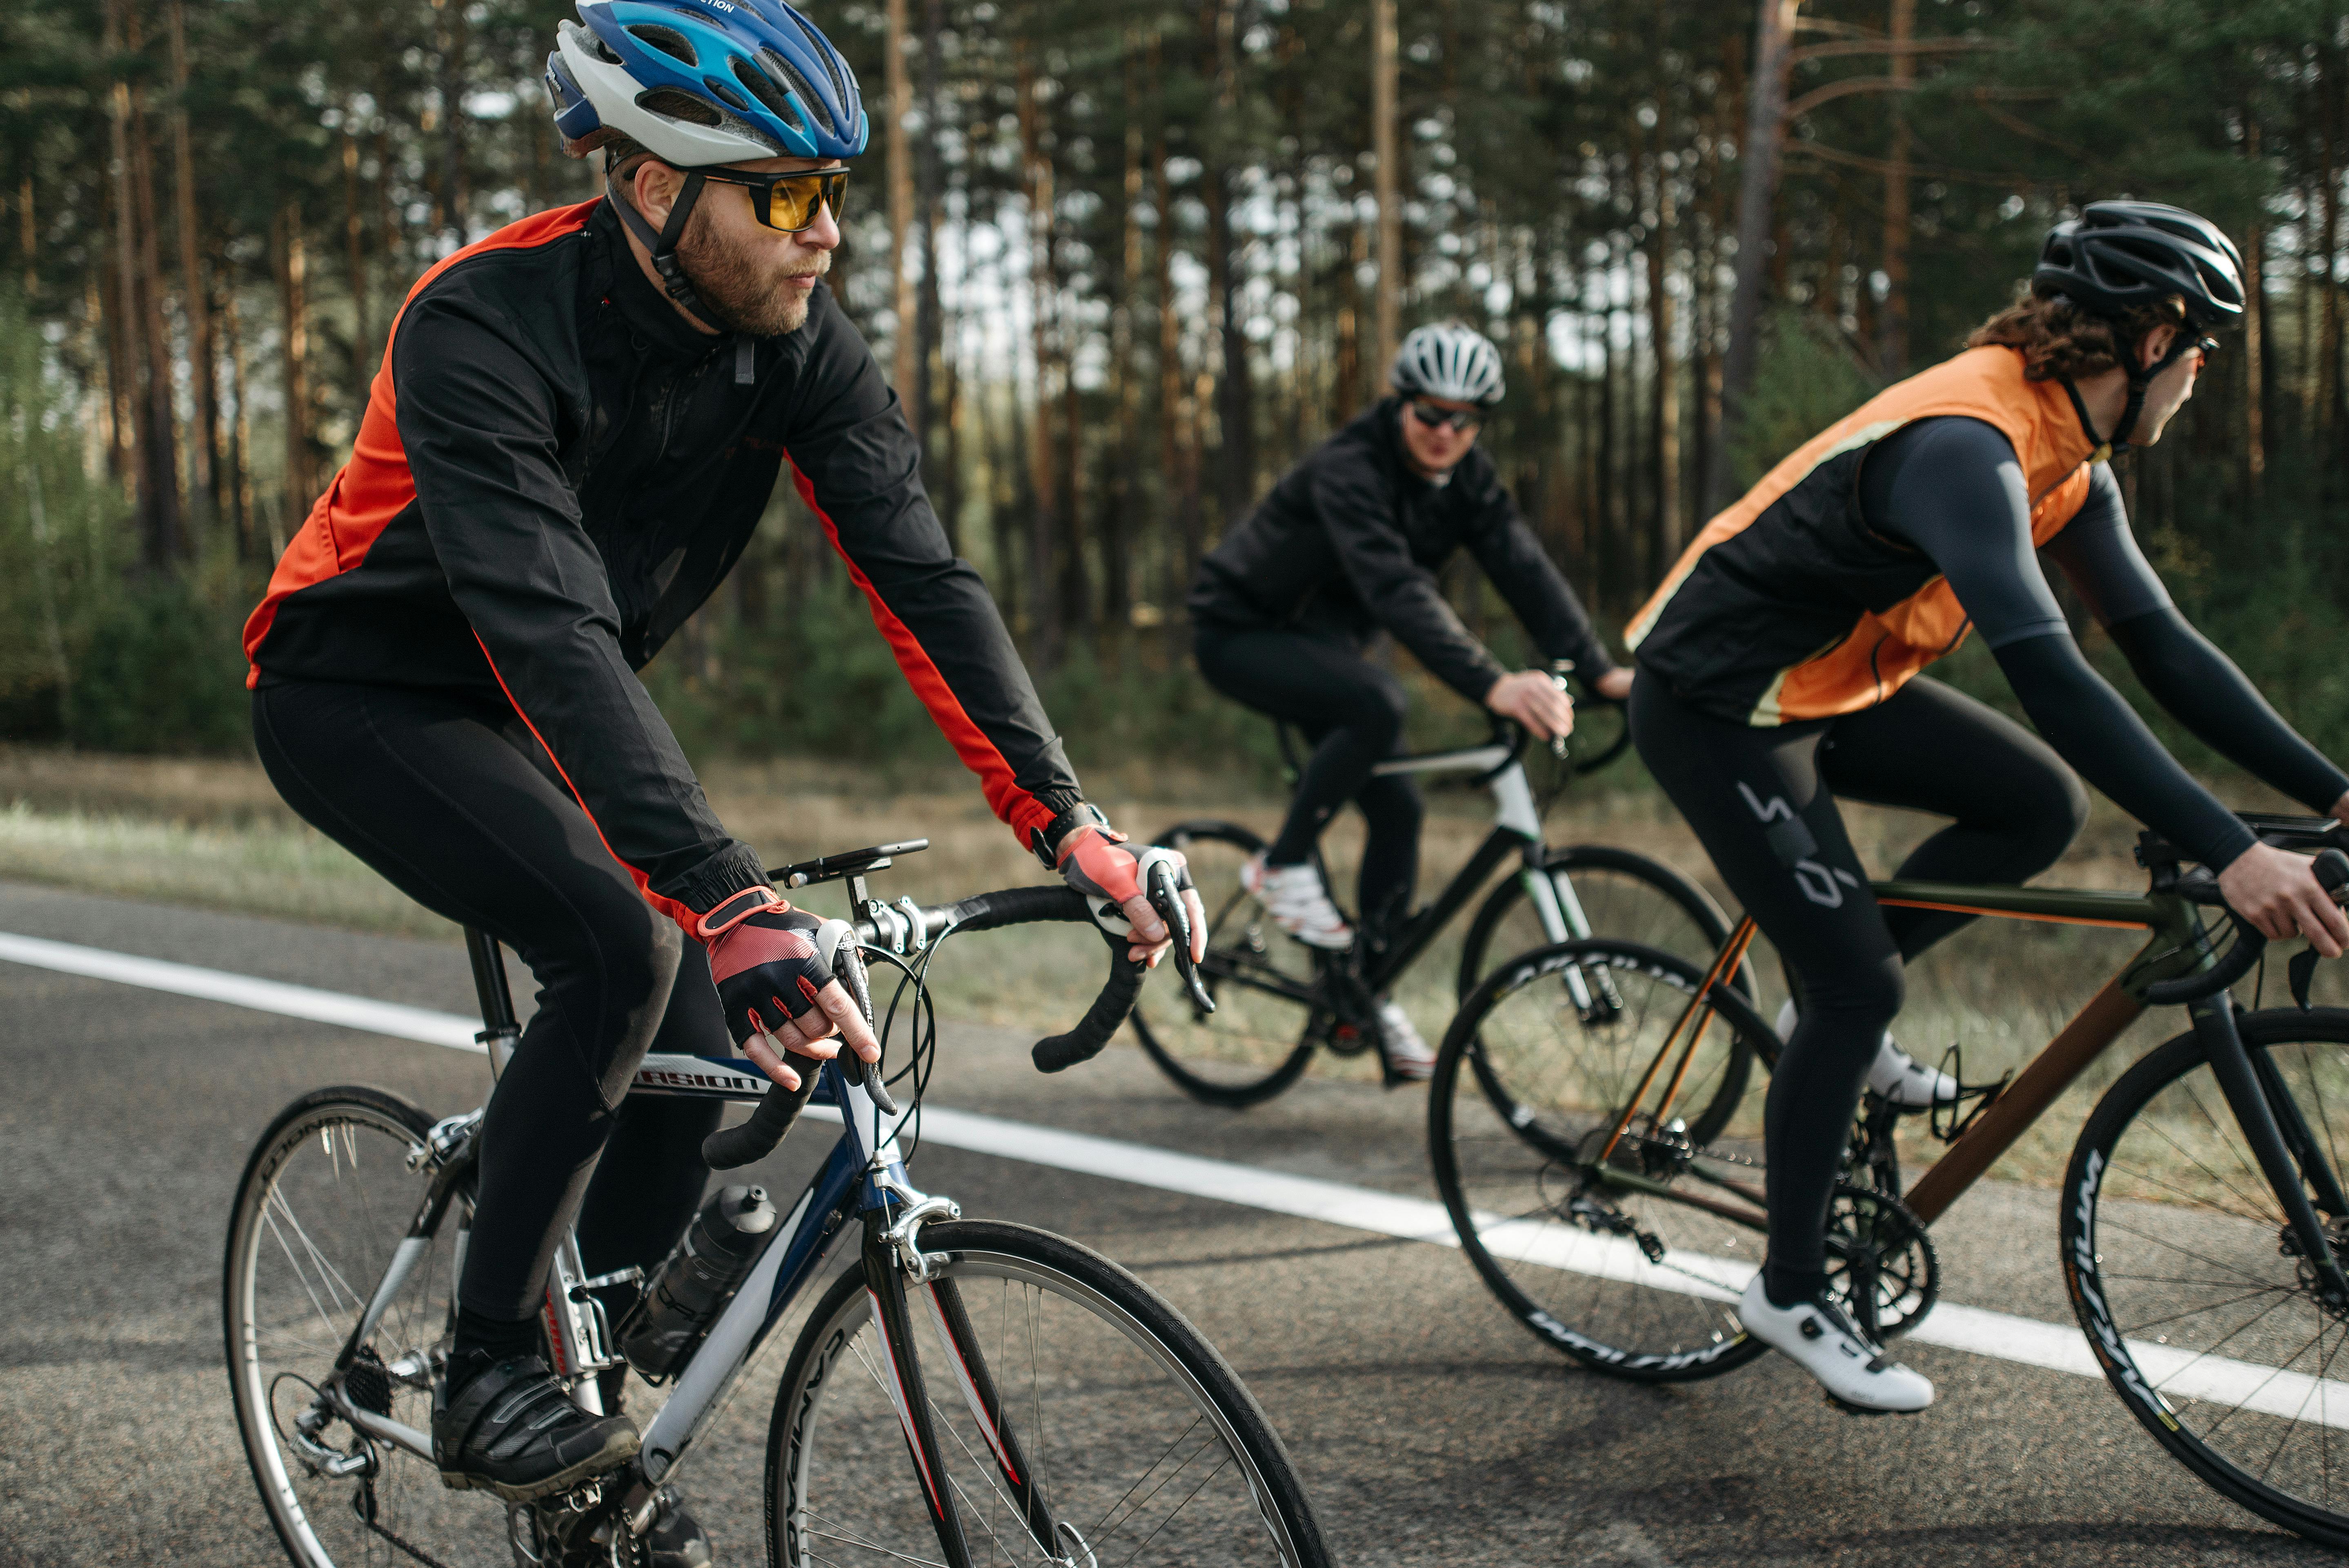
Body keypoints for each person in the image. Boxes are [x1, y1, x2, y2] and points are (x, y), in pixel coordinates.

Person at [240, 0, 1203, 1530]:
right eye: (786, 193)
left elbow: (922, 579)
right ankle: (490, 1365)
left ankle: (591, 1426)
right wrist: (727, 893)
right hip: (361, 691)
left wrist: (1068, 825)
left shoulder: (796, 345)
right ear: (651, 185)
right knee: (623, 946)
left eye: (836, 190)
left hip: (546, 704)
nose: (827, 231)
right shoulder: (478, 325)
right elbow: (549, 628)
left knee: (700, 1028)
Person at [1626, 200, 2349, 1415]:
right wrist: (2230, 851)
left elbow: (2163, 648)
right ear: (2152, 341)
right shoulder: (1970, 443)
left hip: (1826, 684)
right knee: (1859, 987)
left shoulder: (2069, 458)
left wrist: (2333, 790)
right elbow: (2053, 676)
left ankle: (1827, 1007)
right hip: (1716, 702)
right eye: (2201, 349)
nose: (2202, 375)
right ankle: (1790, 1289)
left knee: (2034, 807)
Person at [1188, 321, 1635, 1081]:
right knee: (1378, 701)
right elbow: (1394, 589)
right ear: (1401, 403)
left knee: (1400, 808)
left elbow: (1522, 566)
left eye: (1465, 419)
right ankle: (1282, 865)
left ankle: (1366, 993)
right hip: (1240, 631)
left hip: (1325, 648)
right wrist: (1492, 682)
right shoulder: (1349, 467)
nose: (1445, 432)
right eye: (1430, 412)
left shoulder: (1468, 478)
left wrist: (1595, 671)